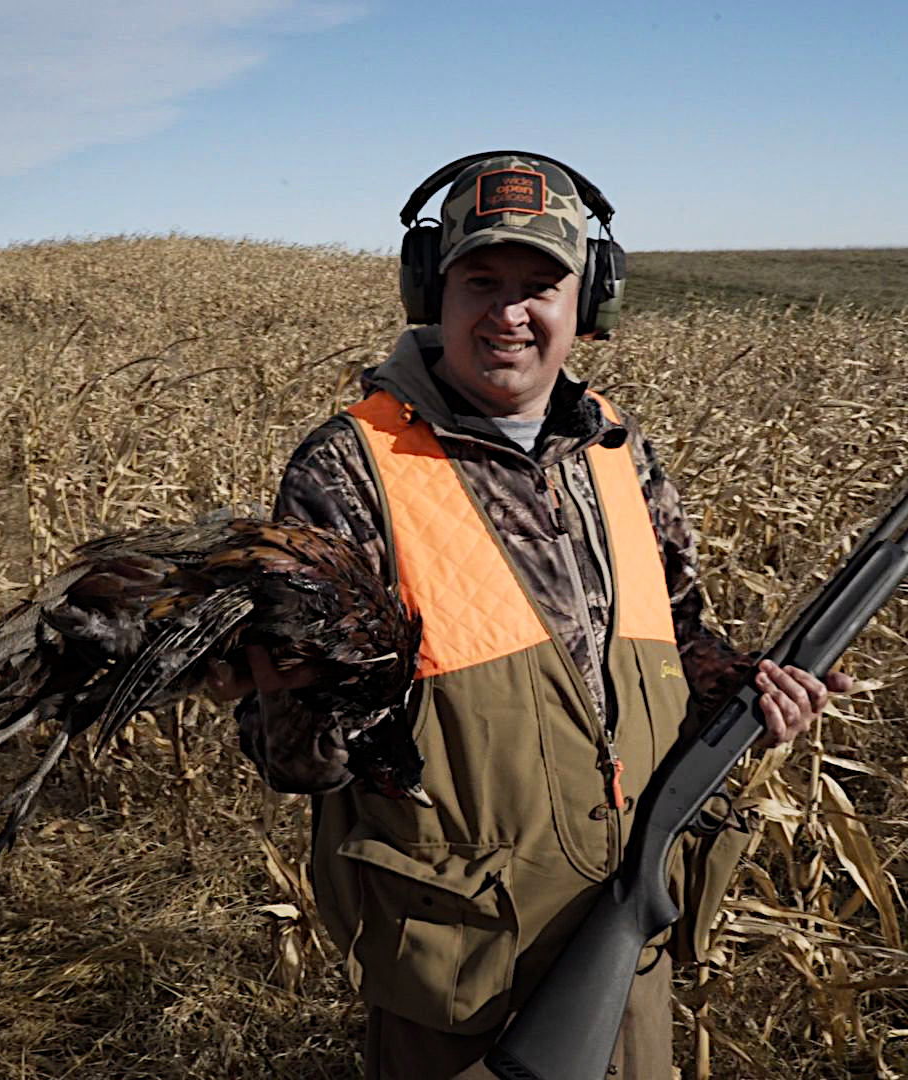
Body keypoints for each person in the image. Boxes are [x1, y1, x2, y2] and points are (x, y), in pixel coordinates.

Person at [238, 152, 851, 1079]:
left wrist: (747, 696)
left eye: (541, 285)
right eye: (481, 280)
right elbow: (292, 754)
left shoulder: (613, 448)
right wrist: (306, 697)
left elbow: (678, 634)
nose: (509, 313)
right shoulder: (349, 468)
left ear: (588, 302)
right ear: (429, 290)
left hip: (627, 930)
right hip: (460, 961)